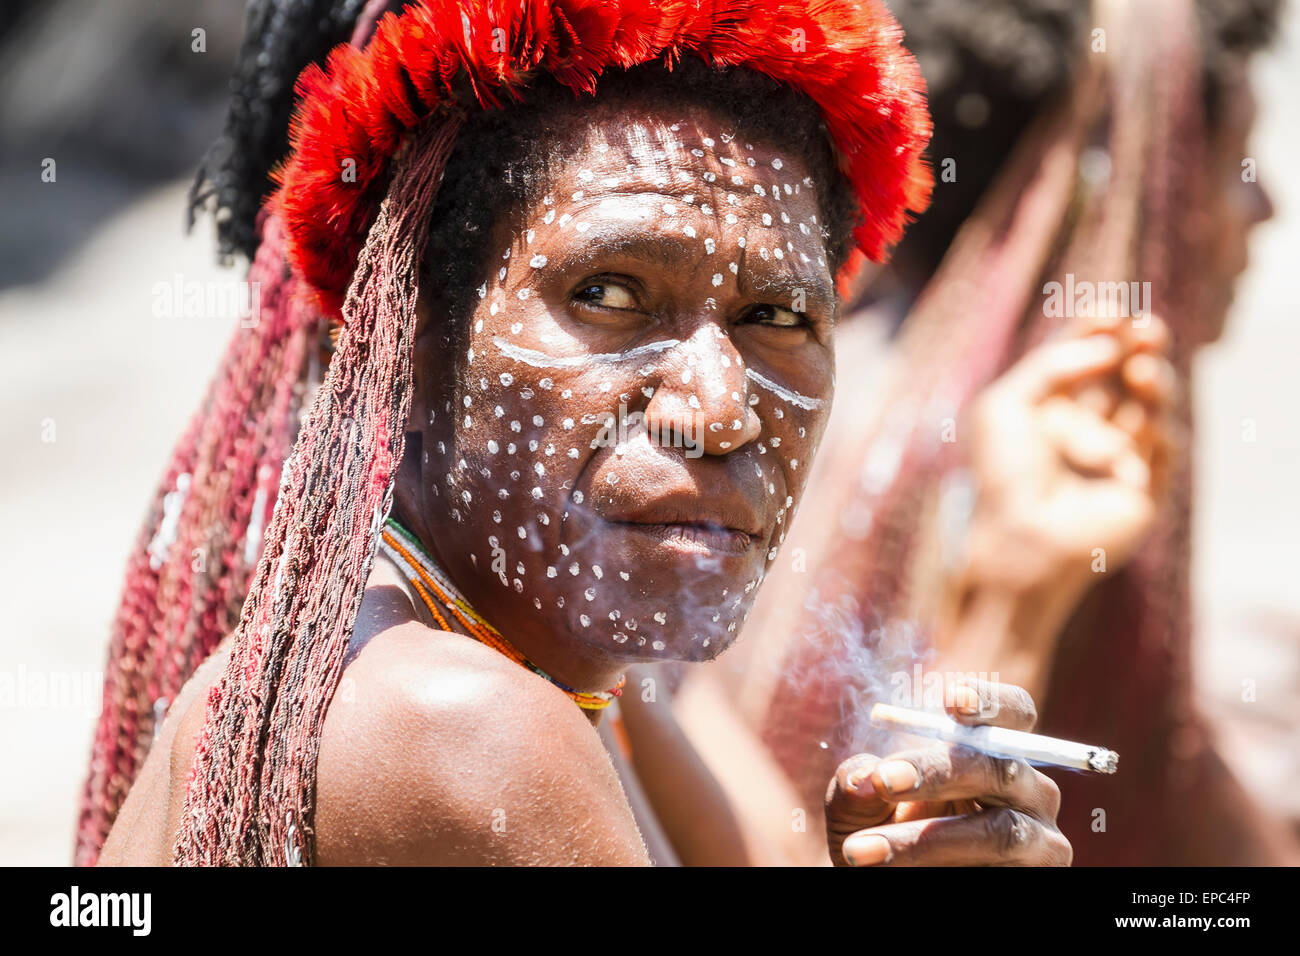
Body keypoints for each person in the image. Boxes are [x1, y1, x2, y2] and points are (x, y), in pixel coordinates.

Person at [93, 0, 1071, 867]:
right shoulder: (459, 724)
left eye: (777, 316)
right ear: (410, 347)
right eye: (608, 295)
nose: (718, 409)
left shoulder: (587, 680)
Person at [686, 0, 1297, 866]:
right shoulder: (1054, 466)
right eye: (1233, 160)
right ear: (1127, 185)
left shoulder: (838, 371)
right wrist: (1014, 605)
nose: (1265, 204)